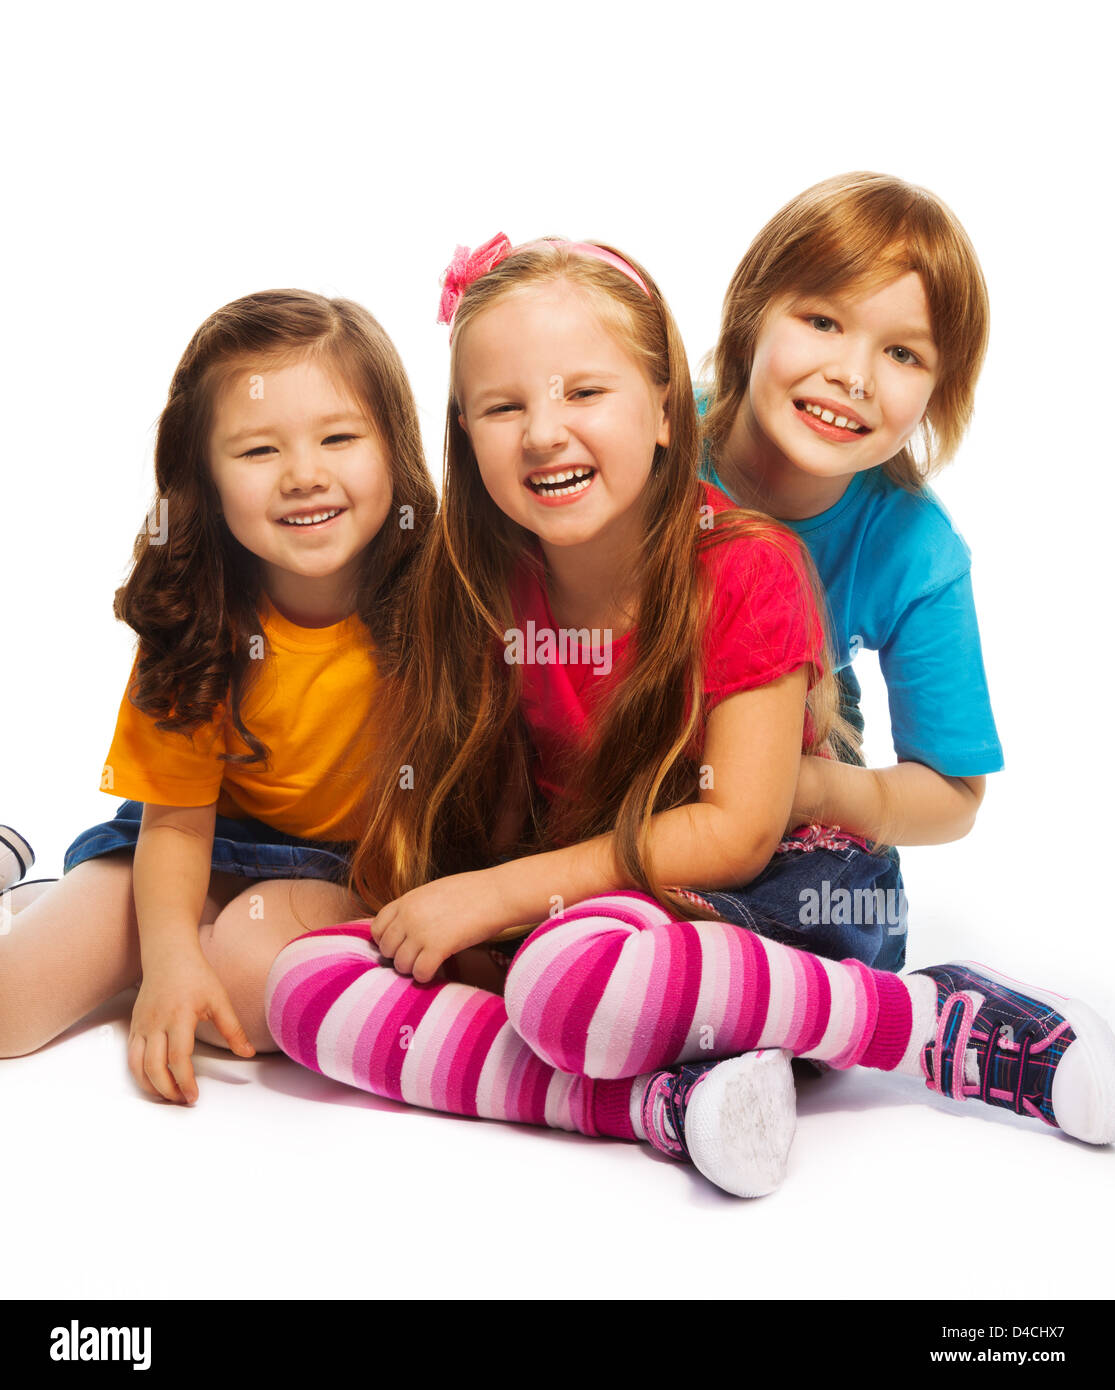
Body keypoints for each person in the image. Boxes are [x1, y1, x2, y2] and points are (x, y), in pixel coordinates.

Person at [264, 238, 1115, 1198]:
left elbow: (738, 832)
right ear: (463, 436)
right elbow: (509, 798)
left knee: (561, 978)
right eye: (503, 407)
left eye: (584, 393)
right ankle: (666, 1102)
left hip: (784, 899)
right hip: (606, 923)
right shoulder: (488, 578)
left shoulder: (745, 567)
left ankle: (929, 1022)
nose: (543, 432)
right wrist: (465, 914)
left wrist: (503, 897)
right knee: (304, 990)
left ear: (671, 414)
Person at [0, 289, 436, 1108]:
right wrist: (166, 955)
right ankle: (34, 890)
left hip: (351, 869)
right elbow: (175, 822)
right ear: (205, 477)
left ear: (395, 448)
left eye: (339, 438)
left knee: (241, 995)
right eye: (259, 451)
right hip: (186, 847)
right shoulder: (197, 614)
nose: (306, 476)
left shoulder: (442, 597)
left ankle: (126, 925)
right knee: (10, 1008)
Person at [700, 174, 1002, 959]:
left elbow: (953, 793)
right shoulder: (654, 440)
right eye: (823, 321)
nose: (854, 375)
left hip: (801, 747)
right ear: (749, 316)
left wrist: (808, 790)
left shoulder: (917, 549)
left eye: (901, 353)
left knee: (838, 909)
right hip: (622, 722)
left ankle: (761, 987)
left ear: (938, 393)